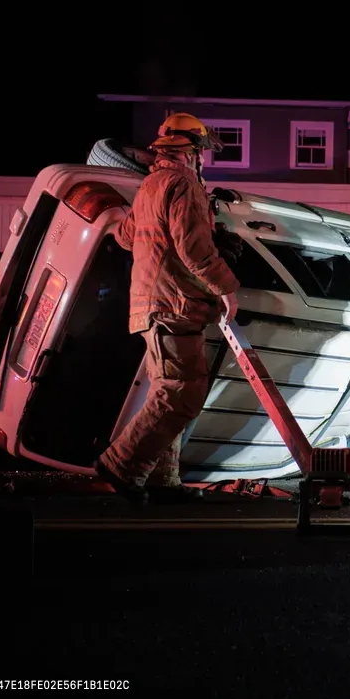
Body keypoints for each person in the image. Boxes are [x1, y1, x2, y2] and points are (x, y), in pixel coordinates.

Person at [95, 113, 240, 505]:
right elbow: (192, 249)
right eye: (203, 153)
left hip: (154, 305)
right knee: (182, 393)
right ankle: (122, 465)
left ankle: (163, 480)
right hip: (173, 304)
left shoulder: (151, 186)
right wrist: (226, 287)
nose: (204, 160)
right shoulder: (183, 183)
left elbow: (127, 237)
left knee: (170, 392)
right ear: (192, 152)